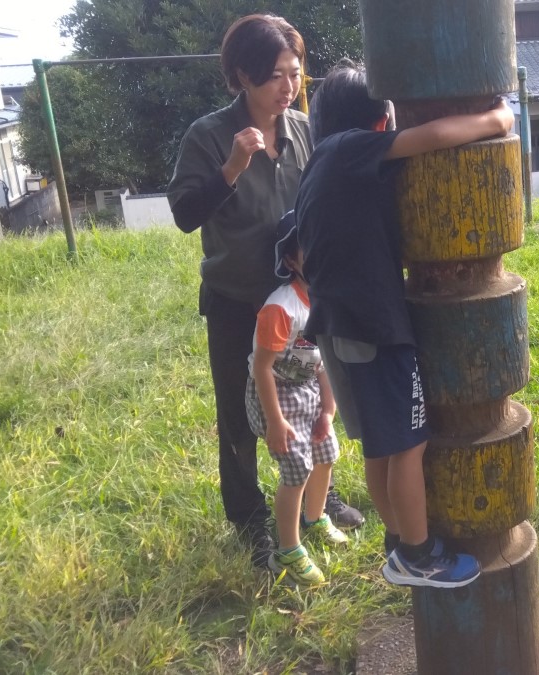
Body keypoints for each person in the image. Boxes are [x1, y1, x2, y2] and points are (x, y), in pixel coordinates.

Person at [294, 61, 513, 588]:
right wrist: (497, 120)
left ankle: (397, 539)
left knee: (380, 443)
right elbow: (434, 136)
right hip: (374, 327)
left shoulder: (325, 161)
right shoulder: (350, 149)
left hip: (340, 325)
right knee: (409, 444)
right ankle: (418, 555)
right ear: (375, 115)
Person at [168, 14, 362, 570]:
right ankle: (250, 515)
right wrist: (232, 166)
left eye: (295, 73)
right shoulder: (209, 136)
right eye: (275, 75)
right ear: (241, 77)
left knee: (307, 397)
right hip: (238, 300)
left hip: (300, 301)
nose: (288, 86)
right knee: (241, 412)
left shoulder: (302, 129)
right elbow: (184, 215)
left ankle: (312, 503)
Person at [245, 212, 347, 587]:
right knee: (297, 467)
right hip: (275, 391)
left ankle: (315, 516)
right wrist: (274, 420)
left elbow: (326, 361)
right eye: (310, 248)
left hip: (308, 388)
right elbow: (261, 368)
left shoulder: (325, 298)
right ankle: (286, 549)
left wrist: (328, 409)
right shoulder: (281, 308)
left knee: (325, 454)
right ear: (291, 260)